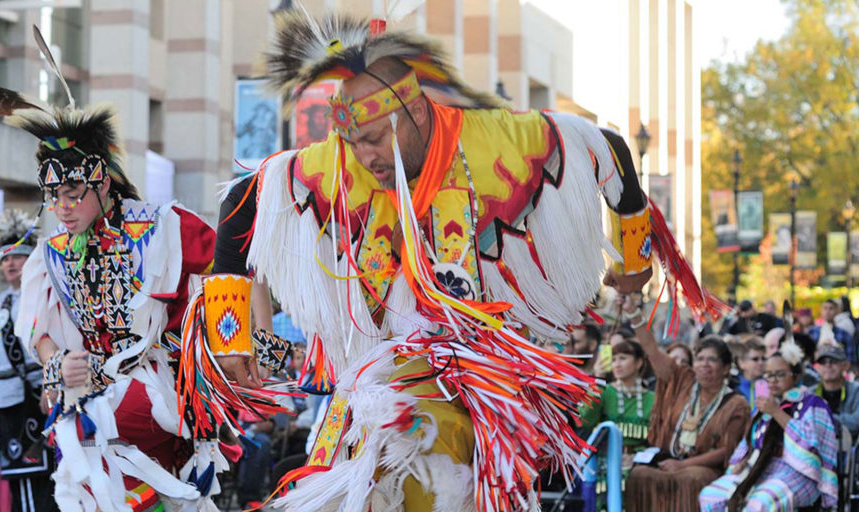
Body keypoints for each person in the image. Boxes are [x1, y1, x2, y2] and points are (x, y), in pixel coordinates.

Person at [204, 10, 724, 511]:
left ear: (412, 111)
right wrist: (228, 339)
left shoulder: (494, 139)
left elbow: (607, 148)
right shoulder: (338, 162)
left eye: (374, 139)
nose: (365, 157)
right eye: (353, 142)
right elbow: (241, 201)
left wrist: (635, 263)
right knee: (363, 480)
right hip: (380, 372)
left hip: (482, 365)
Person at [0, 35, 270, 508]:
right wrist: (58, 363)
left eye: (73, 193)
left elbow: (235, 268)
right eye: (54, 197)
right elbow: (39, 330)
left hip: (161, 385)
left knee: (116, 449)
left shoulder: (161, 228)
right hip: (91, 395)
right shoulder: (49, 255)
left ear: (103, 180)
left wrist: (250, 342)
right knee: (85, 463)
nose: (63, 208)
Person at [623, 296, 750, 512]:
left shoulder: (736, 404)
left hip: (703, 468)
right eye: (700, 358)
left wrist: (682, 465)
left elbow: (726, 450)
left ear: (726, 368)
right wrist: (634, 314)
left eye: (712, 360)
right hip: (669, 458)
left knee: (691, 478)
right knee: (639, 474)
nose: (704, 365)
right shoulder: (683, 380)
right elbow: (652, 351)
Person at [699, 343, 838, 511]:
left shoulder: (813, 403)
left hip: (800, 473)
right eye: (768, 375)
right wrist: (741, 461)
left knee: (761, 503)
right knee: (710, 495)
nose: (773, 380)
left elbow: (811, 446)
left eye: (780, 375)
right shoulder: (765, 406)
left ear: (795, 376)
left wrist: (776, 412)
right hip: (761, 468)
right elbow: (750, 441)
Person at [0, 209, 57, 512]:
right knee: (15, 478)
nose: (10, 263)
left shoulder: (43, 295)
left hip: (35, 399)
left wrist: (51, 386)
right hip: (4, 405)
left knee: (38, 478)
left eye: (17, 256)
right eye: (5, 259)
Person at [579, 340, 655, 505]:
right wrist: (597, 380)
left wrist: (637, 458)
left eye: (622, 358)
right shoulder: (605, 392)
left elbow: (657, 439)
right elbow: (585, 420)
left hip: (639, 467)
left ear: (639, 362)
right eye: (613, 359)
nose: (617, 364)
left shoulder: (652, 398)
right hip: (604, 466)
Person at [812, 343, 859, 439]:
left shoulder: (856, 390)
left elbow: (856, 422)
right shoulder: (809, 393)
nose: (828, 365)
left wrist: (821, 420)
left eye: (833, 361)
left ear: (846, 365)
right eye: (823, 362)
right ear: (817, 367)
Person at [734, 336, 769, 411]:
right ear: (741, 362)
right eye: (755, 359)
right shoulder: (732, 386)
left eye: (763, 358)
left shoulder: (771, 384)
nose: (761, 362)